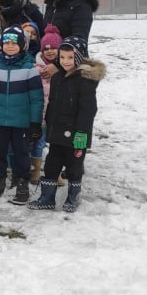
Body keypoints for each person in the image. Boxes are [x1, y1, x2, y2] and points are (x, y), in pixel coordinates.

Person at [29, 36, 105, 212]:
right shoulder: (57, 78)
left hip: (76, 135)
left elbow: (88, 110)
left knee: (74, 167)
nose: (65, 61)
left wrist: (82, 133)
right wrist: (48, 123)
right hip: (57, 133)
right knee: (51, 165)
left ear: (79, 57)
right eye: (62, 57)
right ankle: (47, 197)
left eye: (70, 57)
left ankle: (73, 197)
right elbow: (52, 103)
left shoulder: (85, 80)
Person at [0, 25, 44, 204]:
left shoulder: (29, 68)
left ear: (22, 45)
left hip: (21, 121)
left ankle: (22, 180)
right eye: (6, 42)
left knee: (21, 153)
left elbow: (36, 99)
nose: (9, 46)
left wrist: (35, 122)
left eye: (14, 43)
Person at [39, 0, 99, 80]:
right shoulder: (51, 6)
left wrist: (57, 64)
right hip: (49, 64)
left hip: (72, 66)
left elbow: (79, 39)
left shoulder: (82, 6)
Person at [30, 24, 62, 184]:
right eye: (46, 48)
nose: (49, 51)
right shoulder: (35, 69)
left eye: (54, 48)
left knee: (56, 145)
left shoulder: (64, 69)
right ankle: (35, 170)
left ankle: (55, 173)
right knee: (39, 143)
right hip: (41, 114)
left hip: (58, 116)